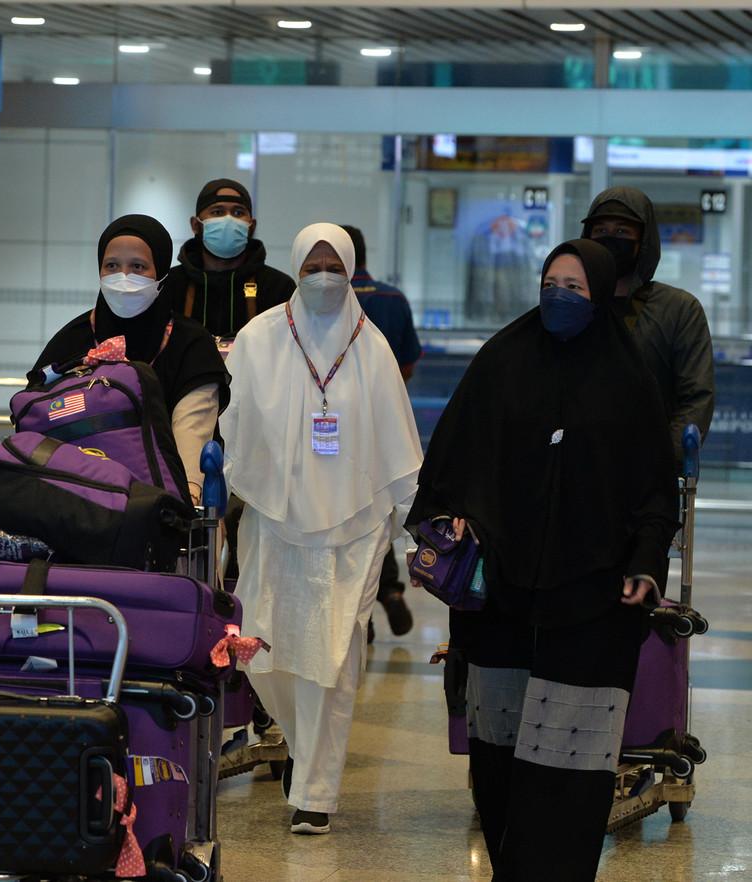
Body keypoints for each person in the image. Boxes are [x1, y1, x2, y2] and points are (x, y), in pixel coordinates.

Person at [407, 239, 679, 880]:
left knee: (571, 762)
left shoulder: (627, 376)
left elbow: (652, 488)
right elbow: (452, 458)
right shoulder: (504, 358)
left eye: (576, 288)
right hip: (500, 596)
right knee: (499, 761)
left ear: (603, 294)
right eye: (550, 281)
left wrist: (644, 562)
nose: (559, 296)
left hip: (591, 603)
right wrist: (452, 516)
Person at [221, 223, 422, 835]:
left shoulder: (372, 344)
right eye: (313, 264)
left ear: (353, 267)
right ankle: (299, 748)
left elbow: (397, 438)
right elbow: (236, 421)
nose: (324, 274)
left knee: (334, 658)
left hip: (356, 525)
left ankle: (315, 791)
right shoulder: (259, 337)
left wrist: (413, 528)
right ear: (295, 267)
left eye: (336, 264)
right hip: (275, 519)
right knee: (264, 652)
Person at [35, 214, 229, 502]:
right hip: (73, 502)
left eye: (138, 267)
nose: (123, 277)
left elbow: (193, 432)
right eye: (112, 266)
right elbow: (38, 417)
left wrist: (185, 498)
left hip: (161, 505)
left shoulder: (190, 345)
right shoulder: (72, 339)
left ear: (161, 272)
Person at [581, 187, 715, 465]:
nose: (609, 239)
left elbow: (695, 398)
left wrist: (662, 463)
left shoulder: (678, 309)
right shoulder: (574, 302)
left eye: (622, 232)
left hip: (647, 477)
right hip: (577, 472)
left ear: (644, 241)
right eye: (601, 230)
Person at [342, 224, 421, 641]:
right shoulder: (393, 298)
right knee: (378, 512)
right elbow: (408, 362)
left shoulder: (326, 301)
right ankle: (387, 590)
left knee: (347, 517)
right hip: (382, 427)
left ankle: (364, 610)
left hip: (333, 431)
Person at [161, 179, 296, 339]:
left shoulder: (278, 288)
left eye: (238, 213)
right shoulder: (169, 285)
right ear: (196, 225)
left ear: (251, 226)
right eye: (217, 212)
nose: (228, 220)